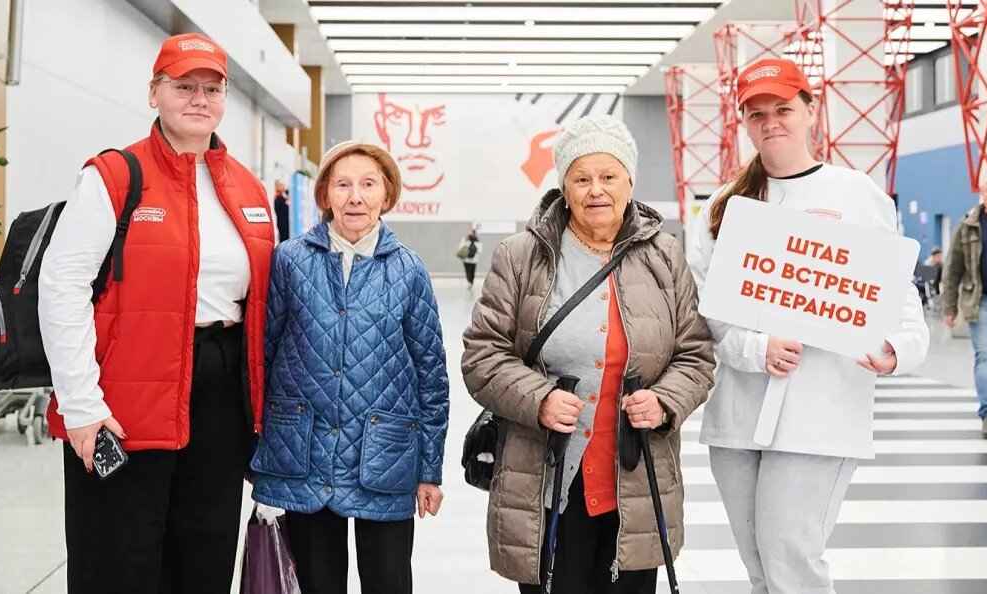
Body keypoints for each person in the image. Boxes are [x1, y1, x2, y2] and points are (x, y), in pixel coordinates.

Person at [38, 33, 274, 594]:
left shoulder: (247, 188)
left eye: (212, 89)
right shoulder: (114, 176)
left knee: (204, 556)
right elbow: (62, 287)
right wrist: (81, 405)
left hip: (219, 398)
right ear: (154, 93)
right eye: (183, 86)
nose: (199, 99)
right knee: (118, 561)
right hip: (123, 401)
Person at [685, 58, 930, 594]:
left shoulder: (855, 194)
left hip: (822, 410)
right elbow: (704, 310)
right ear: (744, 122)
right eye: (757, 114)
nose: (770, 122)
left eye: (783, 109)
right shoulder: (724, 206)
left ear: (811, 111)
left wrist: (898, 346)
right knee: (760, 569)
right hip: (739, 416)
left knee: (791, 562)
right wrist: (756, 348)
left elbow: (895, 290)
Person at [462, 114, 716, 593]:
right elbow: (482, 355)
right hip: (548, 478)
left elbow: (695, 354)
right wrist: (538, 398)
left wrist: (665, 400)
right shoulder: (521, 256)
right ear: (564, 187)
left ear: (630, 183)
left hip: (637, 480)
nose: (596, 190)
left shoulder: (665, 256)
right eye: (581, 178)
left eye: (608, 176)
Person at [250, 141, 450, 594]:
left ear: (387, 194)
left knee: (388, 582)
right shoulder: (289, 260)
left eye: (368, 184)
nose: (355, 197)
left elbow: (431, 376)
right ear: (325, 194)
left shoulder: (409, 270)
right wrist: (257, 447)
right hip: (304, 453)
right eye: (342, 185)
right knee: (317, 582)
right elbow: (263, 355)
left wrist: (429, 469)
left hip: (385, 455)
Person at [942, 174, 987, 439]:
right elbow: (953, 269)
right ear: (982, 193)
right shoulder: (968, 226)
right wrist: (949, 307)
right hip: (982, 302)